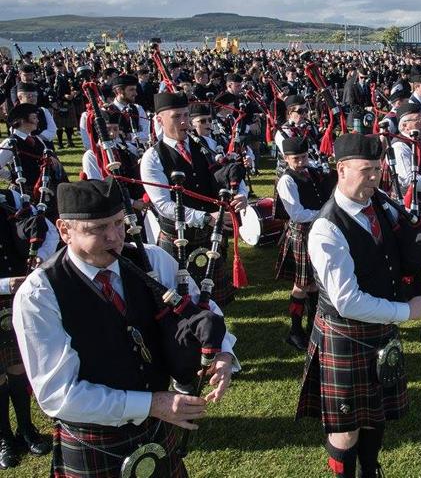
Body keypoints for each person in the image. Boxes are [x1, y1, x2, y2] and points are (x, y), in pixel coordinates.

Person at [13, 178, 239, 477]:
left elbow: (201, 309)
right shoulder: (40, 294)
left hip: (156, 427)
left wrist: (222, 353)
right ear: (64, 230)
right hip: (94, 439)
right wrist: (151, 404)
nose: (114, 237)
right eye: (97, 228)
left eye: (119, 223)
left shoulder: (152, 260)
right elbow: (59, 395)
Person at [296, 133, 421, 478]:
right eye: (366, 170)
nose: (374, 177)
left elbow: (409, 238)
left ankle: (370, 470)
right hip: (346, 335)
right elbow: (347, 301)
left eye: (378, 169)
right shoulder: (326, 229)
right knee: (347, 427)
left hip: (380, 327)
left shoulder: (378, 204)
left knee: (376, 412)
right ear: (341, 169)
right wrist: (408, 311)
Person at [140, 92, 248, 307]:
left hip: (210, 234)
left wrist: (241, 193)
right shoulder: (152, 158)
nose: (184, 122)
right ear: (160, 120)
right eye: (176, 116)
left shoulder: (205, 144)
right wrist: (207, 217)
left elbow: (229, 171)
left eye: (186, 115)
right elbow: (164, 205)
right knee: (181, 300)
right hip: (178, 237)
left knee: (214, 298)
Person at [0, 189, 58, 470]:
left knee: (16, 370)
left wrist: (39, 259)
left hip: (12, 304)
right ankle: (4, 439)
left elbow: (45, 227)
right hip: (5, 290)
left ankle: (26, 429)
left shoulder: (9, 198)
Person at [274, 137, 335, 351]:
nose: (301, 162)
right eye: (296, 159)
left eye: (304, 157)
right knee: (301, 285)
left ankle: (313, 326)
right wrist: (326, 215)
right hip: (301, 236)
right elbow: (297, 214)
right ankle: (295, 330)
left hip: (317, 233)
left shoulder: (311, 172)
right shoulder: (286, 181)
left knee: (317, 282)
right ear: (285, 158)